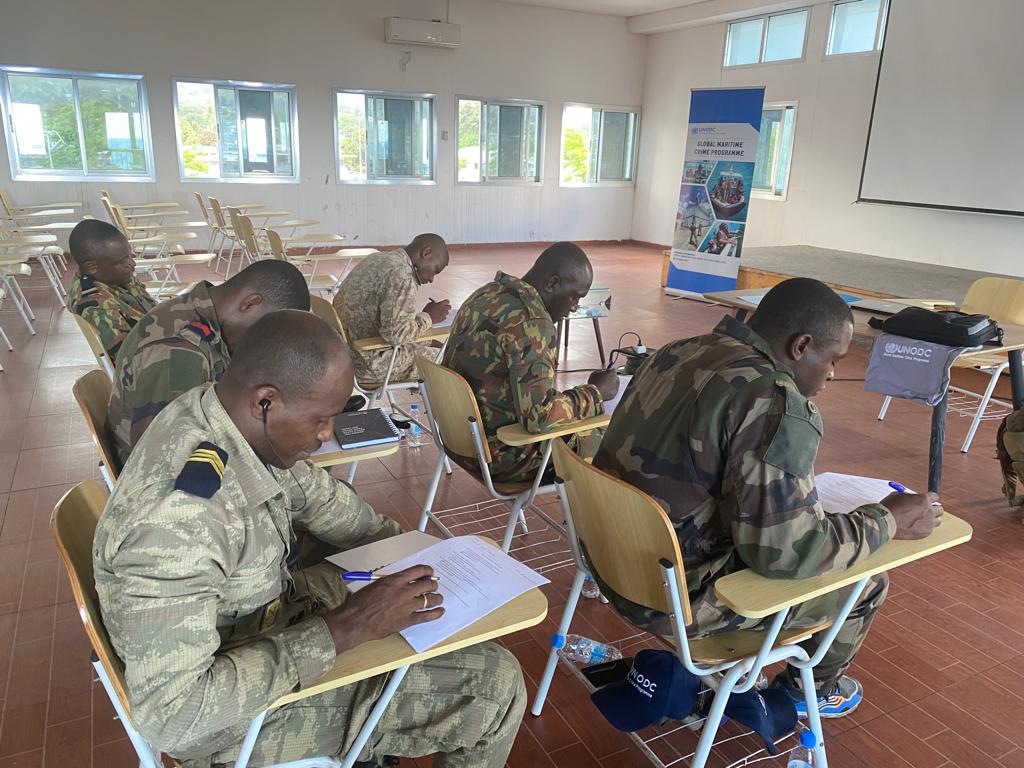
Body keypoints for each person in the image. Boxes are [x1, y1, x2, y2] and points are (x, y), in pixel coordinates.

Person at [93, 310, 526, 767]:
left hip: (258, 619)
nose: (326, 436)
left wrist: (419, 552)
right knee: (496, 688)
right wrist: (349, 627)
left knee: (371, 582)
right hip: (228, 724)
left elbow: (315, 496)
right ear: (266, 402)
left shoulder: (221, 414)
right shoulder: (178, 524)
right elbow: (173, 716)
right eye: (321, 419)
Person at [593, 278, 942, 718]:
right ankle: (805, 693)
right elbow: (784, 555)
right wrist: (887, 519)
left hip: (614, 562)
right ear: (801, 346)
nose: (833, 374)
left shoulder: (677, 351)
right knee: (867, 584)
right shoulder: (772, 400)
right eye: (832, 359)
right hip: (672, 598)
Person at [442, 242, 619, 483]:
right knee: (614, 441)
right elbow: (539, 418)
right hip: (501, 456)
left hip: (458, 439)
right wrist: (596, 393)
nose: (574, 307)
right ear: (552, 283)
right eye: (575, 296)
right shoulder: (532, 323)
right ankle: (602, 519)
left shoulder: (485, 294)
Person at [107, 259, 311, 465]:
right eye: (263, 333)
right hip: (163, 471)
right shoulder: (179, 354)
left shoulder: (199, 312)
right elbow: (164, 461)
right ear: (250, 303)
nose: (260, 344)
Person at [333, 233, 451, 389]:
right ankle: (444, 412)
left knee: (434, 343)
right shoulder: (402, 275)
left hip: (346, 353)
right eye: (435, 270)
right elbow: (396, 335)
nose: (431, 279)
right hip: (371, 363)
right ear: (426, 253)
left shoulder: (376, 259)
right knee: (449, 362)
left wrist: (423, 319)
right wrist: (429, 317)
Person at [66, 219, 156, 359]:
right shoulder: (95, 305)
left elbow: (151, 310)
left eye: (130, 256)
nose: (132, 263)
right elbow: (131, 359)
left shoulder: (115, 276)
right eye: (123, 260)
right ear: (92, 267)